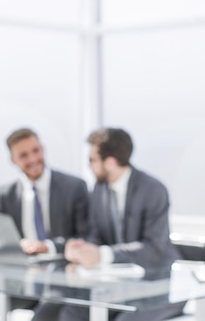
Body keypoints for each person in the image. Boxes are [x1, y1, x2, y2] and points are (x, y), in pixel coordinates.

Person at [0, 127, 89, 321]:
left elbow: (85, 237)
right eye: (24, 155)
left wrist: (47, 247)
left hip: (61, 281)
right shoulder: (6, 193)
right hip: (21, 281)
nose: (33, 159)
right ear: (13, 160)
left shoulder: (74, 187)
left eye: (36, 151)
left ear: (42, 149)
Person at [59, 127, 185, 321]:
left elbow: (153, 249)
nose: (89, 166)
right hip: (116, 285)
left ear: (109, 162)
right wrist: (84, 249)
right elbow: (96, 236)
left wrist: (102, 254)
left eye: (92, 160)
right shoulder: (99, 190)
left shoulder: (153, 190)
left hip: (157, 286)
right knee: (72, 313)